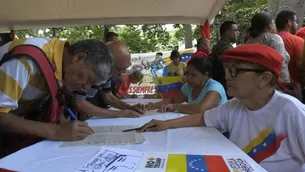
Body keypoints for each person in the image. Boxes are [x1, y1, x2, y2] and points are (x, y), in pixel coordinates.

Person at [139, 44, 305, 172]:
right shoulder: (235, 106)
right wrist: (165, 124)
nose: (227, 76)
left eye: (234, 71)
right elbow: (202, 117)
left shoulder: (292, 112)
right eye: (227, 70)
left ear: (264, 78)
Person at [0, 38, 110, 147]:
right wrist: (57, 131)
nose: (86, 88)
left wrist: (68, 128)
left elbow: (57, 103)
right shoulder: (27, 59)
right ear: (79, 58)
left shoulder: (62, 65)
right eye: (89, 79)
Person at [72, 41, 145, 119]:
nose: (121, 75)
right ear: (106, 63)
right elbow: (79, 104)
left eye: (124, 70)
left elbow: (108, 97)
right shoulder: (87, 72)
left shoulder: (107, 74)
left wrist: (129, 108)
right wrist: (119, 113)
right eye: (120, 70)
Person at [146, 57, 227, 114]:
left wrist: (175, 107)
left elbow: (201, 109)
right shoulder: (188, 86)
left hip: (219, 133)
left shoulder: (215, 88)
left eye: (193, 75)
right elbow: (173, 100)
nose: (188, 77)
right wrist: (153, 106)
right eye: (187, 73)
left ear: (205, 75)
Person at [247, 12, 290, 82]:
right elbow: (280, 64)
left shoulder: (249, 41)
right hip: (275, 83)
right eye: (273, 23)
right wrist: (285, 84)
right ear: (269, 25)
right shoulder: (274, 38)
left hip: (256, 82)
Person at [276, 10, 305, 85]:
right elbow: (302, 68)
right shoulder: (296, 40)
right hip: (292, 87)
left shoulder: (268, 39)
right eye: (296, 21)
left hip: (273, 84)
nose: (297, 24)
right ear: (289, 22)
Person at [210, 21, 239, 91]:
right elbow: (229, 72)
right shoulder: (228, 49)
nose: (238, 32)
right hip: (225, 88)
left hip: (218, 86)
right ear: (228, 32)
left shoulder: (216, 46)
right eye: (235, 30)